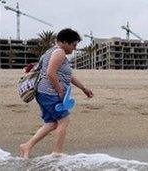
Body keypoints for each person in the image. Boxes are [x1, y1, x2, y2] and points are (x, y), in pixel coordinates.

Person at [19, 28, 93, 159]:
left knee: (52, 123)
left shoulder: (51, 52)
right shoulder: (59, 53)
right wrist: (60, 92)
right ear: (65, 42)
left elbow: (67, 76)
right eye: (74, 45)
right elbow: (50, 73)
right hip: (49, 93)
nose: (74, 48)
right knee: (64, 120)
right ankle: (57, 152)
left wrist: (83, 88)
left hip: (43, 92)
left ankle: (27, 146)